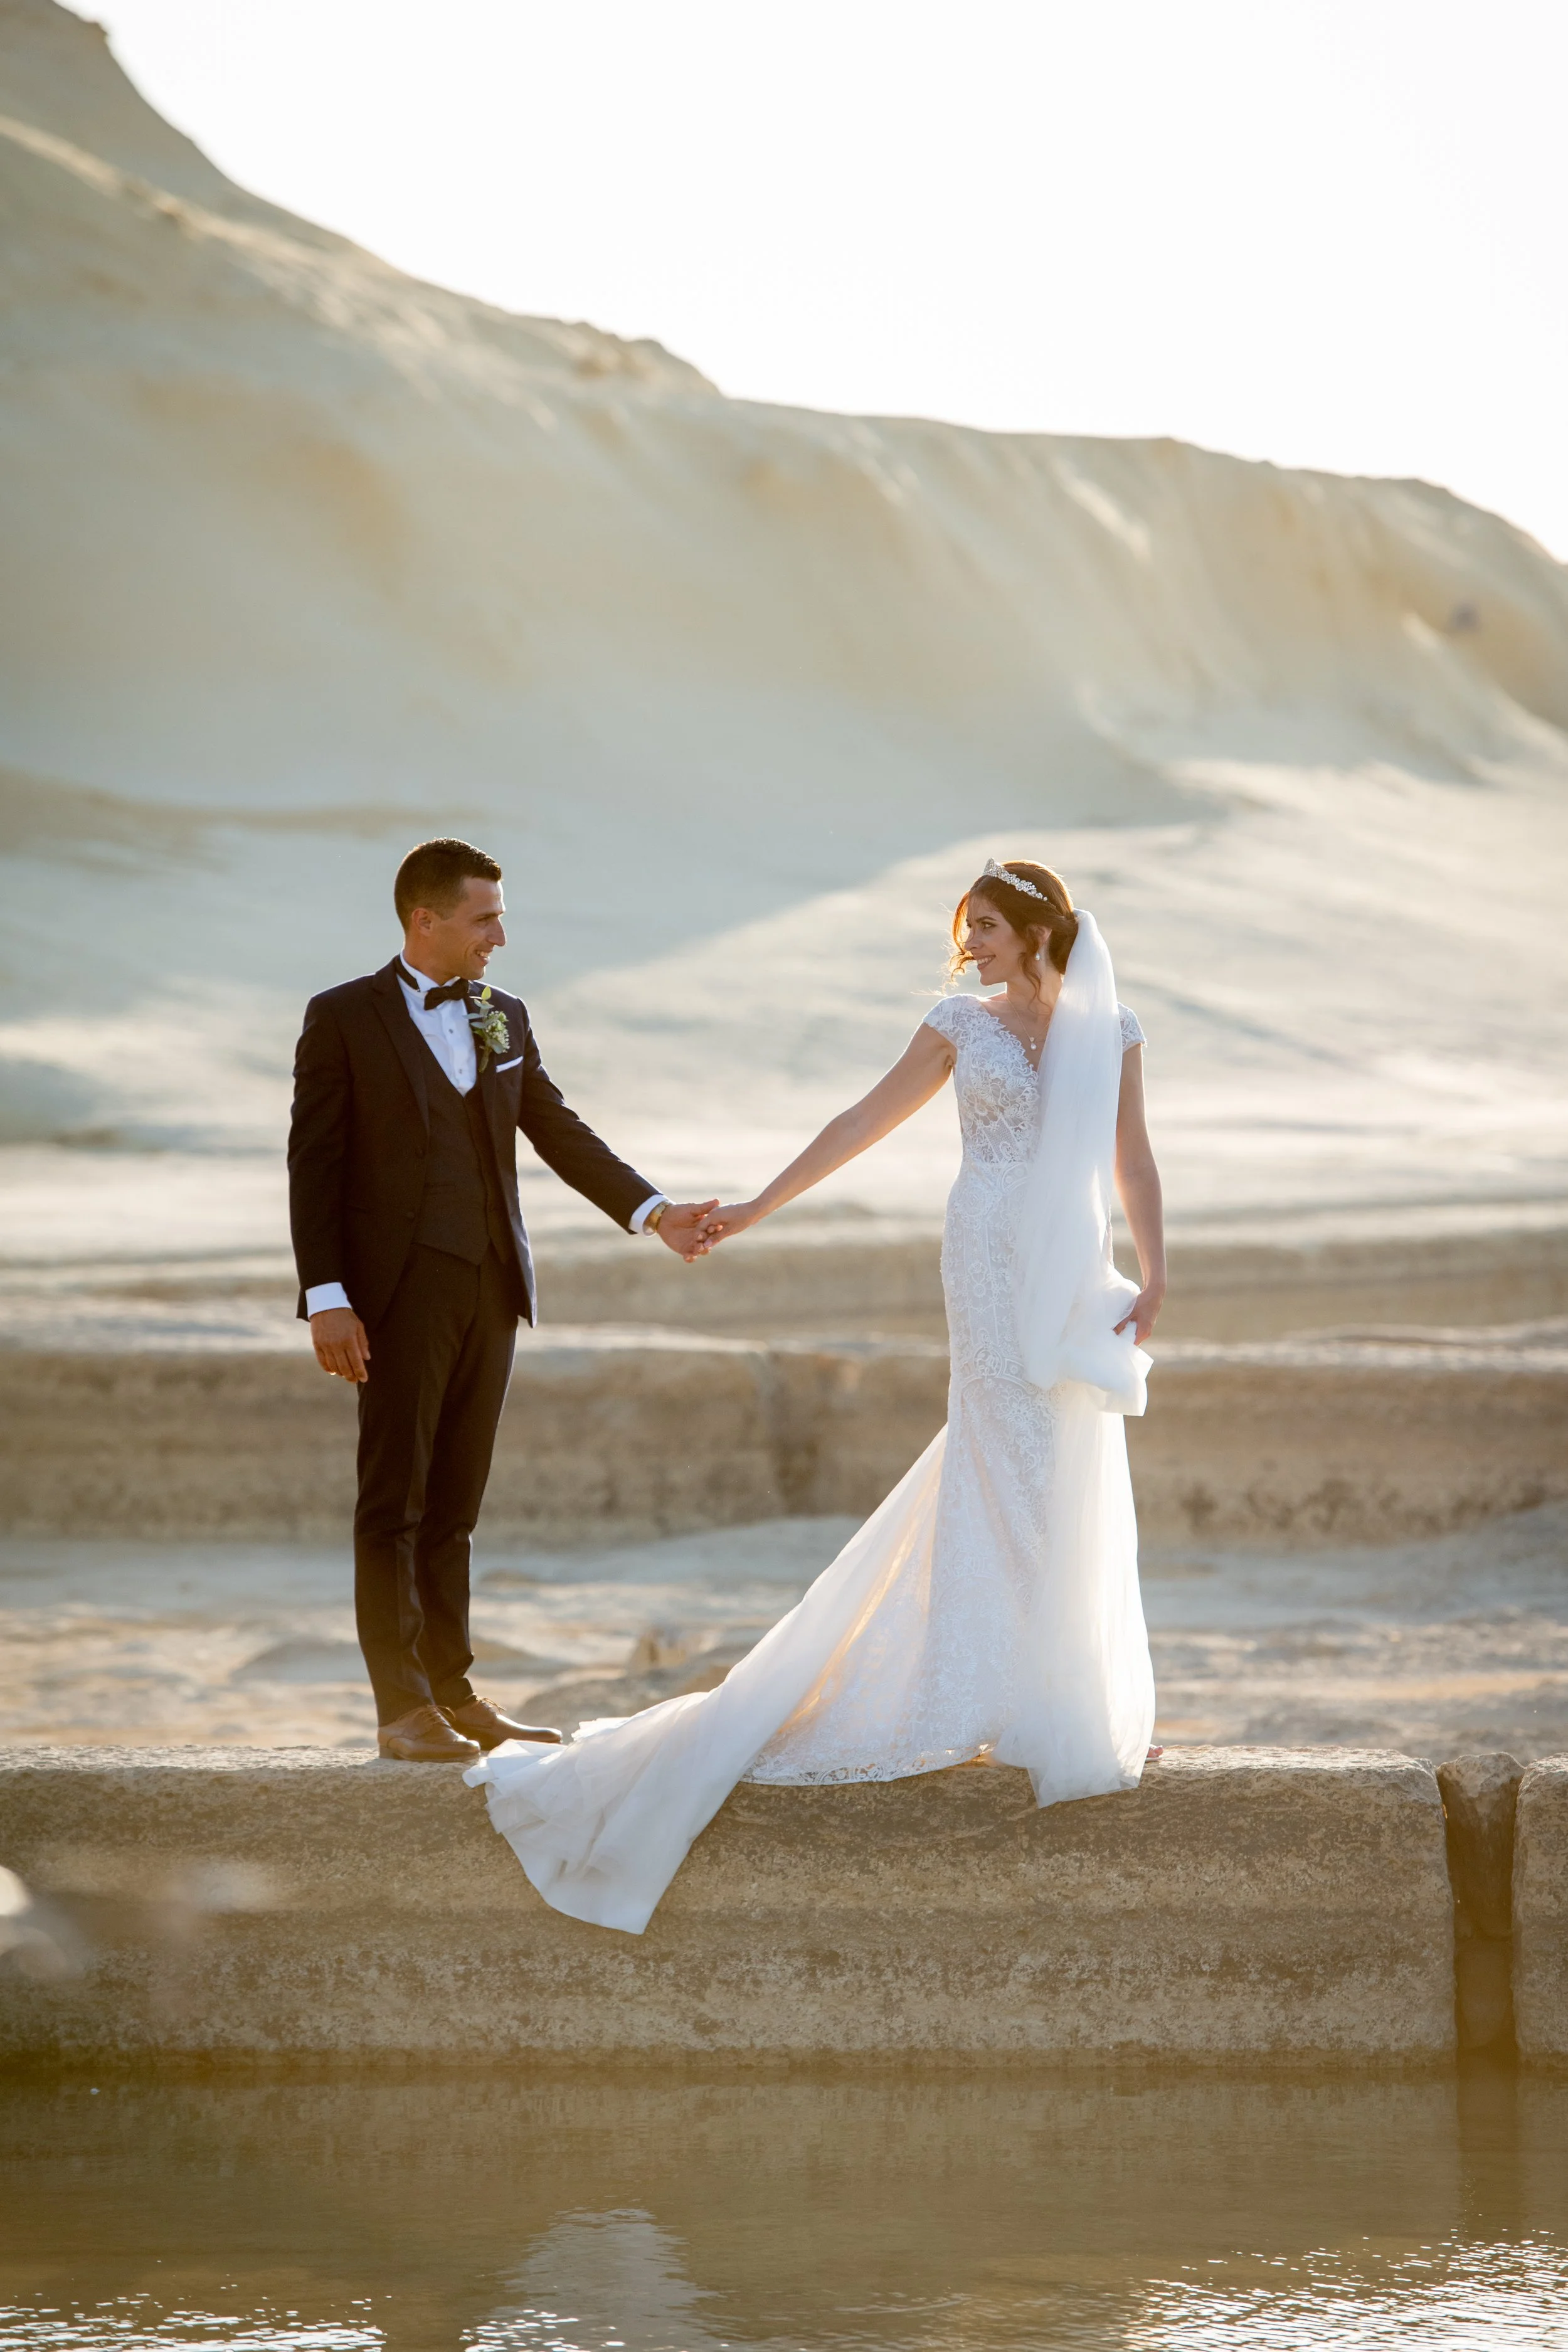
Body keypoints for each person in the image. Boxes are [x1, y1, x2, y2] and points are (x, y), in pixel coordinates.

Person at [467, 858, 1166, 1931]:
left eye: (986, 926)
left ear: (1035, 931)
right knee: (997, 1446)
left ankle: (1060, 1686)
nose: (970, 942)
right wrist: (756, 1205)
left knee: (1063, 1453)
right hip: (983, 1260)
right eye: (966, 926)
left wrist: (1157, 1272)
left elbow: (1133, 1158)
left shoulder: (1108, 1029)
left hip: (1068, 1267)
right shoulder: (957, 1024)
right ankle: (1026, 1688)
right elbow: (860, 1122)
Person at [287, 837, 718, 1762]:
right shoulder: (342, 1019)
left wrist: (654, 1212)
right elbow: (314, 1166)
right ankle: (401, 1707)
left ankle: (452, 1689)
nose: (501, 936)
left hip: (492, 1285)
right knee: (392, 1501)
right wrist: (327, 1294)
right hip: (392, 1295)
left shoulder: (503, 1016)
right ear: (424, 919)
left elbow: (555, 1126)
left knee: (456, 1504)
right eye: (485, 918)